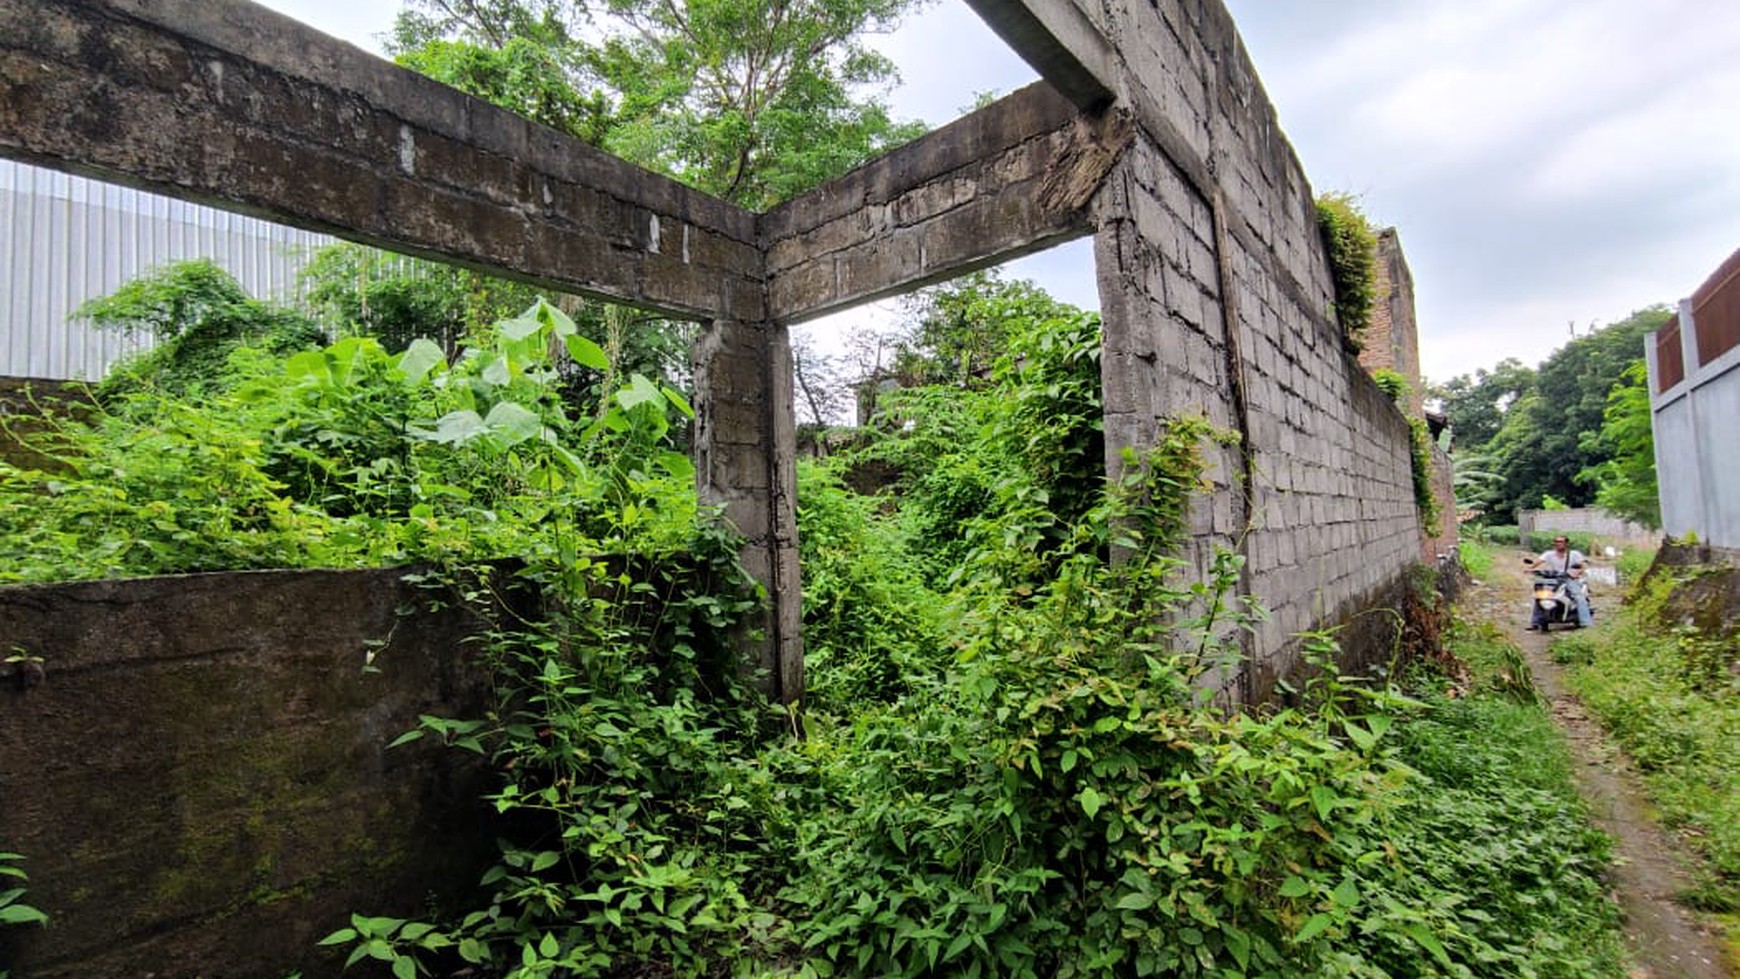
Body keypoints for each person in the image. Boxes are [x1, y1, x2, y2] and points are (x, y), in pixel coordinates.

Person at [1523, 536, 1593, 629]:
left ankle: (1586, 622)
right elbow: (1537, 562)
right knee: (1540, 596)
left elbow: (1583, 565)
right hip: (1553, 579)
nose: (1558, 543)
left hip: (1568, 578)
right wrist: (1529, 569)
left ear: (1566, 544)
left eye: (1561, 541)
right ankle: (1535, 622)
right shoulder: (1549, 554)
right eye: (1556, 541)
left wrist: (1576, 572)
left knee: (1578, 596)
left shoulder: (1574, 554)